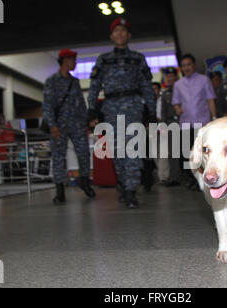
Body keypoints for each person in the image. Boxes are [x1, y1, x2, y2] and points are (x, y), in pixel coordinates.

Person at [87, 18, 156, 209]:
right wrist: (92, 109)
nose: (119, 33)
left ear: (129, 35)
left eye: (123, 30)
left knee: (132, 148)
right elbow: (93, 87)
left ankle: (132, 190)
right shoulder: (103, 60)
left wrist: (151, 112)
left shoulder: (138, 59)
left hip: (133, 106)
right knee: (117, 150)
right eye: (116, 31)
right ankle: (124, 185)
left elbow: (147, 87)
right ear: (111, 36)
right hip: (110, 108)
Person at [43, 49, 95, 204]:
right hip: (58, 126)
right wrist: (52, 126)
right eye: (73, 60)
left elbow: (81, 104)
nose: (75, 63)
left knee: (84, 153)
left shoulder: (75, 82)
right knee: (59, 158)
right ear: (65, 60)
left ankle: (84, 181)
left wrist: (86, 123)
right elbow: (47, 106)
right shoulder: (51, 81)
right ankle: (60, 191)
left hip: (77, 125)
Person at [172, 54, 217, 190]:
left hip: (203, 123)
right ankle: (192, 179)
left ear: (194, 65)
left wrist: (214, 118)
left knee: (203, 153)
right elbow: (175, 102)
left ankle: (204, 180)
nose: (186, 67)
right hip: (185, 123)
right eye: (183, 65)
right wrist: (178, 108)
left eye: (188, 64)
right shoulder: (178, 84)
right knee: (187, 154)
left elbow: (210, 99)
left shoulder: (204, 80)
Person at [161, 67, 181, 187]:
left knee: (187, 151)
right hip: (170, 124)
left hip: (183, 122)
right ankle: (174, 178)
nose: (169, 78)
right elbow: (163, 111)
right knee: (172, 153)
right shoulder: (165, 93)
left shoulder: (182, 90)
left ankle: (191, 177)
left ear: (176, 77)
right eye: (167, 77)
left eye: (171, 76)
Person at [151, 82, 170, 185]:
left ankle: (163, 176)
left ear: (159, 90)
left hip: (163, 125)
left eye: (156, 88)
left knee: (163, 152)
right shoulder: (149, 102)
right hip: (152, 127)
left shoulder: (163, 100)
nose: (154, 91)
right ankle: (160, 172)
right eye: (152, 89)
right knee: (154, 153)